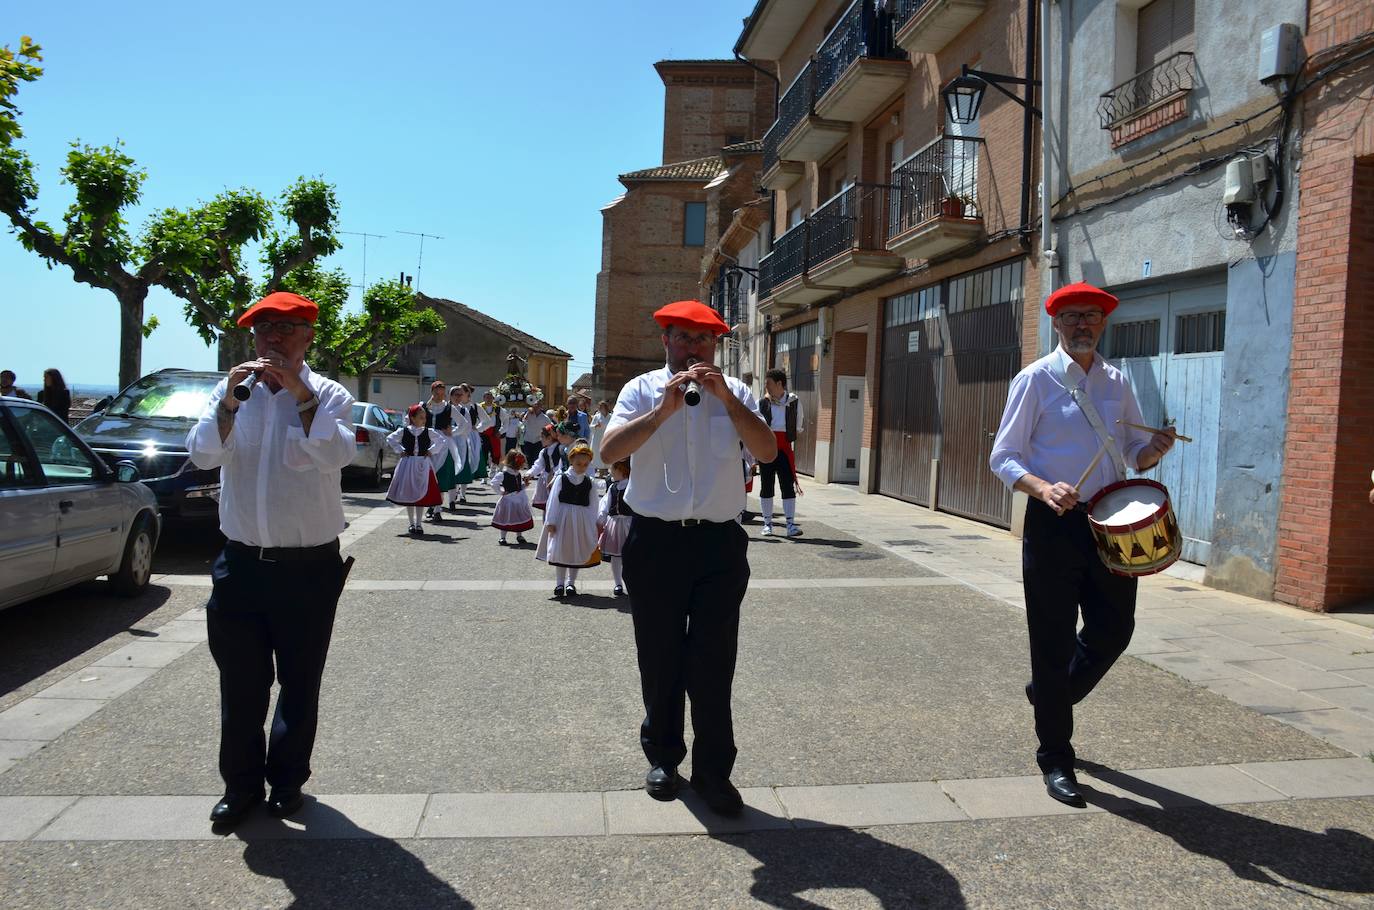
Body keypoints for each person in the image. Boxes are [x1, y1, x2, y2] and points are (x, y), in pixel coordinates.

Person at [989, 281, 1177, 808]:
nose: (1082, 325)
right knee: (1050, 642)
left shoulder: (1117, 381)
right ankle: (1056, 756)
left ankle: (1050, 696)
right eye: (1071, 316)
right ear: (1056, 323)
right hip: (1053, 524)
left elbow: (1133, 452)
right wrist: (1043, 486)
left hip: (1108, 524)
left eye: (1091, 316)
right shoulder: (1036, 379)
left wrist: (1153, 450)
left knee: (1115, 630)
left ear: (1103, 323)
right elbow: (1003, 457)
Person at [185, 290, 357, 829]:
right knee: (240, 683)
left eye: (285, 330)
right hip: (240, 564)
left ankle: (286, 782)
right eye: (264, 331)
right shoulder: (231, 391)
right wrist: (230, 404)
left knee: (300, 681)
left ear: (307, 337)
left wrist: (299, 394)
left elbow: (335, 454)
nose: (273, 340)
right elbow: (202, 453)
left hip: (307, 566)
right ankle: (239, 788)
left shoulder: (328, 395)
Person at [599, 299, 777, 817]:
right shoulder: (641, 390)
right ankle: (663, 757)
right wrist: (663, 411)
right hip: (654, 541)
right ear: (666, 342)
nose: (694, 348)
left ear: (716, 346)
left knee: (714, 660)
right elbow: (610, 452)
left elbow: (766, 452)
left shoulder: (737, 392)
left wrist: (728, 399)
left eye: (704, 340)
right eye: (684, 338)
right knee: (659, 656)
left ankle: (714, 772)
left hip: (718, 543)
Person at [536, 441, 600, 598]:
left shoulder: (589, 482)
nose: (582, 467)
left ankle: (571, 583)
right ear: (571, 461)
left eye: (585, 464)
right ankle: (559, 583)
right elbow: (553, 500)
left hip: (581, 520)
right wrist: (550, 521)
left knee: (576, 550)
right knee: (562, 551)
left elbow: (594, 505)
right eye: (579, 463)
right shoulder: (561, 478)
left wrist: (593, 524)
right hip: (563, 518)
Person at [386, 404, 450, 534]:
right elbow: (390, 438)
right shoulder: (404, 431)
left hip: (423, 464)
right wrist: (400, 450)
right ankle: (411, 524)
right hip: (408, 464)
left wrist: (431, 451)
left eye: (425, 417)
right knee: (410, 495)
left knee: (421, 495)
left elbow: (442, 441)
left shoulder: (428, 431)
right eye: (421, 417)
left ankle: (419, 524)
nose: (424, 420)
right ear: (413, 418)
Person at [757, 368, 805, 538]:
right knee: (766, 486)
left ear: (779, 384)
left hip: (784, 449)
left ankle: (791, 525)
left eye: (768, 383)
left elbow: (798, 427)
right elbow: (756, 426)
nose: (766, 387)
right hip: (766, 449)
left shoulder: (794, 402)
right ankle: (767, 524)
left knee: (788, 487)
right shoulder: (762, 403)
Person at [597, 458, 634, 597]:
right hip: (615, 524)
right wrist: (601, 519)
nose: (610, 471)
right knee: (616, 556)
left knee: (630, 556)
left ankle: (631, 583)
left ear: (622, 470)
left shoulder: (632, 486)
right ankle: (618, 583)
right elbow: (605, 504)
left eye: (613, 468)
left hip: (629, 523)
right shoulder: (613, 487)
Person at [423, 382, 456, 520]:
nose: (439, 396)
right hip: (426, 444)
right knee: (428, 476)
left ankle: (437, 510)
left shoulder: (449, 408)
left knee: (440, 477)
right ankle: (431, 505)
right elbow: (409, 421)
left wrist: (452, 431)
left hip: (443, 445)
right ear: (432, 391)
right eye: (437, 393)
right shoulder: (423, 407)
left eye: (442, 393)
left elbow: (464, 425)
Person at [489, 449, 533, 546]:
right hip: (508, 500)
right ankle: (502, 537)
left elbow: (518, 487)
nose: (521, 467)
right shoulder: (503, 474)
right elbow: (493, 483)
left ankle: (519, 535)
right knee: (505, 518)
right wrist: (501, 492)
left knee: (518, 517)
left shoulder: (517, 474)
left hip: (518, 499)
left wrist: (524, 485)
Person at [449, 385, 481, 504]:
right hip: (447, 442)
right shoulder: (445, 408)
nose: (458, 397)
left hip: (461, 441)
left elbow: (467, 427)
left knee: (462, 466)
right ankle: (451, 495)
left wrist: (453, 431)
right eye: (456, 395)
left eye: (460, 395)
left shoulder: (464, 410)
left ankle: (462, 494)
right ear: (450, 396)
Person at [529, 424, 563, 513]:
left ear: (550, 438)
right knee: (547, 506)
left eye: (542, 437)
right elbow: (538, 465)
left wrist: (555, 475)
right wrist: (530, 473)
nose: (541, 439)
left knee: (556, 504)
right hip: (546, 480)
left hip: (556, 479)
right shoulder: (544, 451)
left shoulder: (560, 448)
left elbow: (561, 465)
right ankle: (546, 524)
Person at [476, 390, 503, 477]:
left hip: (494, 433)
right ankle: (483, 476)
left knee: (495, 454)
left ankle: (492, 473)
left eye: (490, 397)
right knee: (483, 454)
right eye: (487, 397)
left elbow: (506, 420)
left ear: (493, 398)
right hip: (483, 433)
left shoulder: (498, 408)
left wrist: (500, 431)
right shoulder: (479, 407)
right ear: (484, 398)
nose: (489, 399)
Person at [589, 399, 612, 473]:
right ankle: (600, 471)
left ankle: (607, 470)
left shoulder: (611, 416)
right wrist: (596, 426)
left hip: (607, 437)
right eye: (600, 407)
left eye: (602, 407)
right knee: (598, 454)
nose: (601, 408)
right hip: (598, 438)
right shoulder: (597, 416)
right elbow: (591, 426)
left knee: (607, 452)